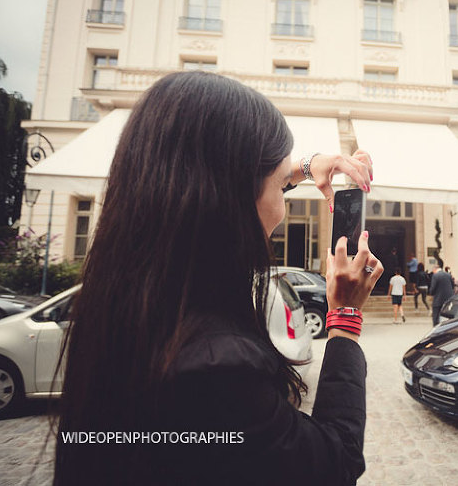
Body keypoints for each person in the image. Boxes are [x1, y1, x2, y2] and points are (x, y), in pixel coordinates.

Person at [53, 71, 383, 486]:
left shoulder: (129, 302)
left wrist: (303, 166)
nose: (282, 207)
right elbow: (334, 463)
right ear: (229, 196)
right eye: (281, 186)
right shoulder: (219, 364)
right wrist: (345, 318)